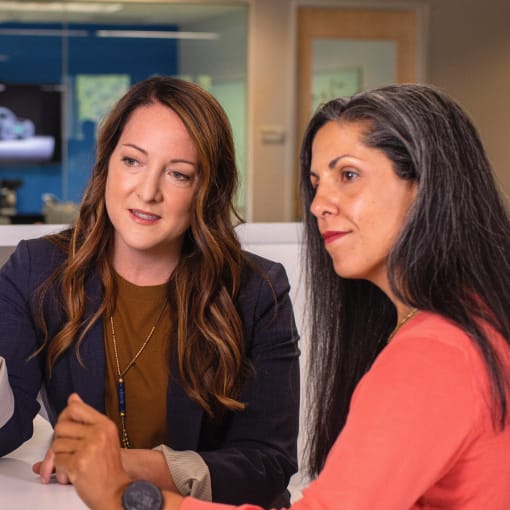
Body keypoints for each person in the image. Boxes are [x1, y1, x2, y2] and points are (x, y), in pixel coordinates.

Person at [49, 83, 510, 510]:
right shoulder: (469, 324)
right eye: (315, 183)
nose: (319, 205)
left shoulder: (435, 354)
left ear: (427, 186)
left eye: (347, 175)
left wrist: (125, 494)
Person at [0, 76, 300, 507]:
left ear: (206, 190)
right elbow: (7, 427)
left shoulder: (255, 290)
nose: (147, 192)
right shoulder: (38, 269)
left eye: (178, 174)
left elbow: (267, 466)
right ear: (107, 165)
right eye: (133, 162)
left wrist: (124, 465)